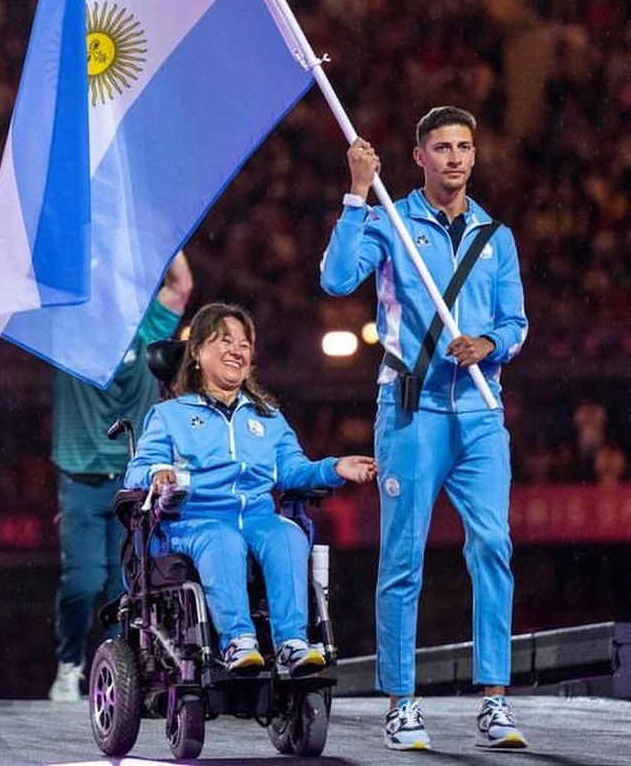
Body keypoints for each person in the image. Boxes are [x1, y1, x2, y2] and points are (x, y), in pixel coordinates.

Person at [320, 106, 529, 751]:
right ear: (419, 158)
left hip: (479, 412)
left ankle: (495, 702)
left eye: (465, 146)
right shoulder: (390, 220)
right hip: (411, 411)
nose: (456, 158)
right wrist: (357, 193)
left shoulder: (496, 236)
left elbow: (516, 325)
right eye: (442, 148)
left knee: (493, 546)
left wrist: (488, 343)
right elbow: (335, 278)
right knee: (402, 556)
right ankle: (401, 704)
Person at [124, 303, 376, 678]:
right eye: (225, 341)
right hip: (195, 521)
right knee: (222, 538)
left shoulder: (267, 417)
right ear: (197, 352)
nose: (237, 350)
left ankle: (292, 642)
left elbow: (292, 470)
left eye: (244, 344)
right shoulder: (170, 415)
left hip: (256, 517)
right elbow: (137, 471)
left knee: (287, 535)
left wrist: (335, 467)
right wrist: (159, 472)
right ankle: (238, 640)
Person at [48, 253, 193, 701]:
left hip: (131, 479)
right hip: (81, 478)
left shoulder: (147, 328)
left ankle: (113, 675)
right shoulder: (65, 333)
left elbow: (181, 282)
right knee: (82, 583)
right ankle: (69, 662)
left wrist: (150, 223)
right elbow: (47, 278)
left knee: (123, 588)